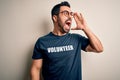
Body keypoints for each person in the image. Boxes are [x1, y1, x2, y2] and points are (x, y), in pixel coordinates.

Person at [30, 1, 103, 80]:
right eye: (65, 13)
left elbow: (99, 49)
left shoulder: (76, 39)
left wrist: (85, 28)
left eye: (71, 14)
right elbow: (36, 69)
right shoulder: (42, 42)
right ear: (55, 18)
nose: (70, 17)